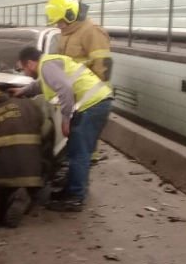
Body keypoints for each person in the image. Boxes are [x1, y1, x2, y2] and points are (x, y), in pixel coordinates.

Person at [12, 47, 112, 212]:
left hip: (92, 105)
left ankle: (75, 198)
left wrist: (66, 119)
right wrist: (22, 91)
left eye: (23, 68)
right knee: (77, 151)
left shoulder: (46, 65)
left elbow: (65, 88)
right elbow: (42, 85)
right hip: (97, 103)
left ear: (30, 63)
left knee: (79, 153)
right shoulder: (48, 64)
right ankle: (73, 191)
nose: (24, 73)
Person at [0, 77, 53, 227]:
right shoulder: (28, 105)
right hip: (29, 174)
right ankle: (22, 195)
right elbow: (48, 131)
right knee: (27, 184)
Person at [46, 0, 112, 163]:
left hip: (89, 94)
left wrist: (95, 99)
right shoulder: (66, 31)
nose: (58, 26)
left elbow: (102, 66)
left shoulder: (92, 31)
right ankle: (86, 160)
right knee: (81, 134)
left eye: (60, 21)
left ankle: (85, 164)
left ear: (70, 15)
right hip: (74, 91)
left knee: (84, 132)